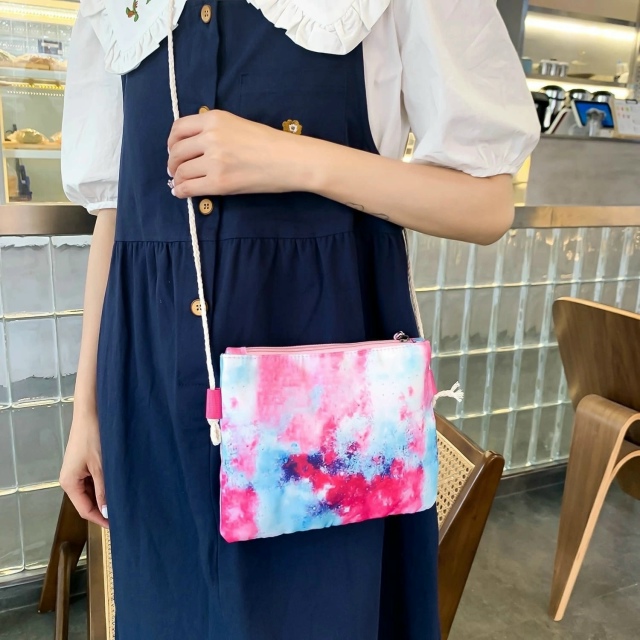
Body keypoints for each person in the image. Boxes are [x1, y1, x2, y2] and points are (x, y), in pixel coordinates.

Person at [59, 0, 539, 638]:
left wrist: (294, 159)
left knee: (324, 614)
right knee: (168, 614)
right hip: (152, 397)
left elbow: (488, 205)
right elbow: (116, 213)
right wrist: (86, 410)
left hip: (321, 413)